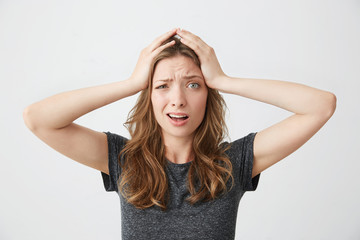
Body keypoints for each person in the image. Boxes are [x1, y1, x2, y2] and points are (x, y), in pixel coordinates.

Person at [23, 28, 336, 239]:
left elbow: (321, 105)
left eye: (193, 84)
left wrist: (224, 80)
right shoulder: (123, 159)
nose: (178, 99)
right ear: (149, 96)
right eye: (162, 86)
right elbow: (38, 119)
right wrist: (132, 83)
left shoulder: (233, 163)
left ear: (208, 93)